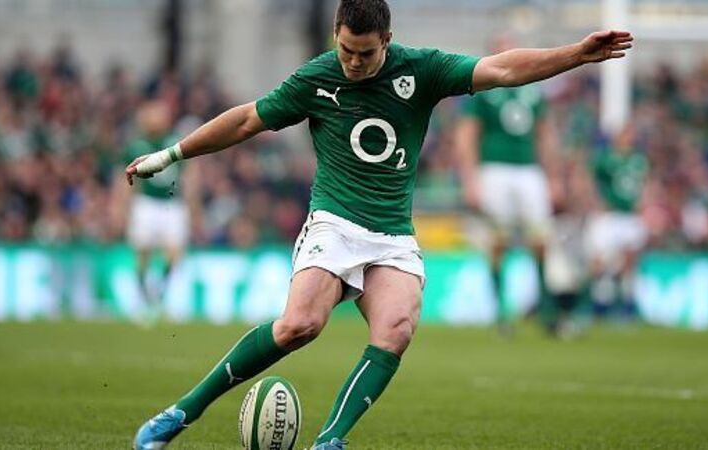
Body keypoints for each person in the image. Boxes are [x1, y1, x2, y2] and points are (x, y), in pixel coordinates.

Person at [129, 1, 633, 448]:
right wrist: (171, 154)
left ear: (387, 41)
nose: (353, 62)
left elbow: (501, 68)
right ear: (335, 34)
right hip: (334, 222)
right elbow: (245, 120)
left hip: (391, 234)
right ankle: (181, 412)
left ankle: (330, 440)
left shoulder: (423, 69)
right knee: (300, 326)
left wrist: (576, 54)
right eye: (346, 49)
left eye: (365, 54)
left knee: (395, 330)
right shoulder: (316, 78)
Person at [453, 34, 557, 335]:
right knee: (499, 240)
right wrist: (470, 179)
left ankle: (545, 311)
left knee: (541, 239)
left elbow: (545, 135)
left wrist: (553, 177)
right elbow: (467, 135)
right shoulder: (482, 90)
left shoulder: (533, 91)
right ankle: (501, 312)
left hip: (530, 170)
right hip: (494, 170)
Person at [112, 100, 198, 324]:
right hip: (145, 204)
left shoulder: (175, 142)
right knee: (143, 254)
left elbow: (189, 176)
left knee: (174, 254)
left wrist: (193, 206)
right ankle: (142, 301)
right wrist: (120, 207)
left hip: (173, 205)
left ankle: (162, 296)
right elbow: (125, 181)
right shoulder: (136, 146)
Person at [585, 123, 649, 319]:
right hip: (610, 216)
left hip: (630, 216)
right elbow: (590, 180)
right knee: (601, 261)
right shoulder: (605, 158)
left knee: (629, 262)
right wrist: (597, 202)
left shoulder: (639, 160)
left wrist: (643, 205)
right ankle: (599, 304)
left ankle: (627, 305)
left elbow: (643, 185)